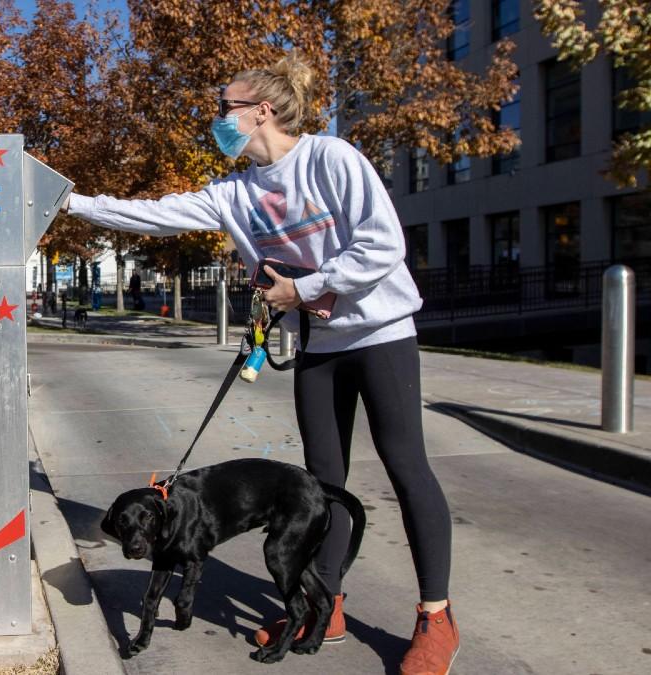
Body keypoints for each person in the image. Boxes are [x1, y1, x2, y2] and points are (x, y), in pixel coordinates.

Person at [63, 54, 457, 674]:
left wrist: (301, 290)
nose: (216, 119)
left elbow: (383, 244)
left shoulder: (331, 159)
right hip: (321, 346)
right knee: (321, 483)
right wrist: (73, 203)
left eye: (224, 108)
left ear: (260, 112)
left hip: (380, 332)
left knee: (407, 466)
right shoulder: (235, 193)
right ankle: (325, 606)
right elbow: (155, 214)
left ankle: (435, 617)